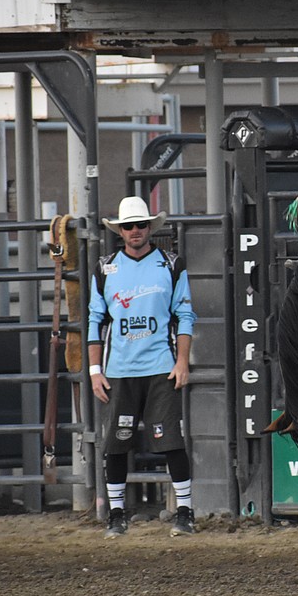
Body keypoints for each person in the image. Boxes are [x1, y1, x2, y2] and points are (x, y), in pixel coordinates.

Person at [87, 196, 197, 538]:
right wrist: (94, 370)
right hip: (119, 370)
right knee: (116, 444)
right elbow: (95, 320)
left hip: (161, 368)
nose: (135, 231)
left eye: (141, 225)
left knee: (172, 441)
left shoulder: (171, 264)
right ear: (120, 231)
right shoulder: (105, 269)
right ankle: (116, 514)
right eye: (129, 226)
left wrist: (182, 361)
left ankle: (185, 511)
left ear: (150, 228)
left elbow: (185, 314)